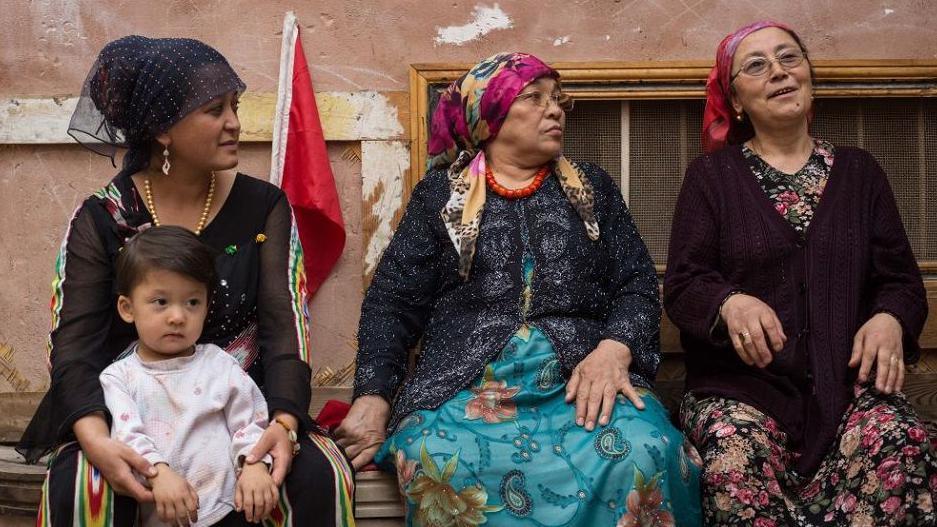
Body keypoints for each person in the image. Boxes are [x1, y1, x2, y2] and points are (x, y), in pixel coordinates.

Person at [336, 52, 701, 526]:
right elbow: (392, 302)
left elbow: (635, 284)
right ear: (489, 117)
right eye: (534, 98)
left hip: (582, 377)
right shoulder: (440, 197)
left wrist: (615, 348)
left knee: (648, 449)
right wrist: (373, 395)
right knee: (436, 456)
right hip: (466, 381)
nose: (555, 110)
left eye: (557, 100)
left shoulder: (593, 187)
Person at [17, 36, 354, 527]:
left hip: (242, 409)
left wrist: (281, 424)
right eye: (214, 110)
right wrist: (98, 442)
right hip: (127, 411)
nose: (235, 122)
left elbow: (287, 331)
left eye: (234, 106)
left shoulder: (265, 206)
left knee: (316, 477)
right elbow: (74, 348)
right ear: (163, 131)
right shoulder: (102, 217)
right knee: (83, 490)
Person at [664, 20, 935, 525]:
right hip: (742, 393)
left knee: (902, 442)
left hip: (848, 391)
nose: (779, 72)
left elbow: (900, 281)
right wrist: (729, 302)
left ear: (808, 75)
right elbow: (683, 285)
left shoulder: (860, 172)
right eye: (757, 65)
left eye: (789, 58)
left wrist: (890, 319)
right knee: (732, 456)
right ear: (736, 101)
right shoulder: (711, 179)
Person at [101, 226, 276, 526]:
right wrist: (158, 473)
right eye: (161, 302)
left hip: (229, 508)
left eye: (192, 302)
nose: (178, 316)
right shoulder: (120, 377)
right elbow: (128, 437)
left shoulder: (218, 364)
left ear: (207, 306)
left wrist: (255, 465)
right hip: (162, 510)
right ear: (128, 308)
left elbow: (249, 419)